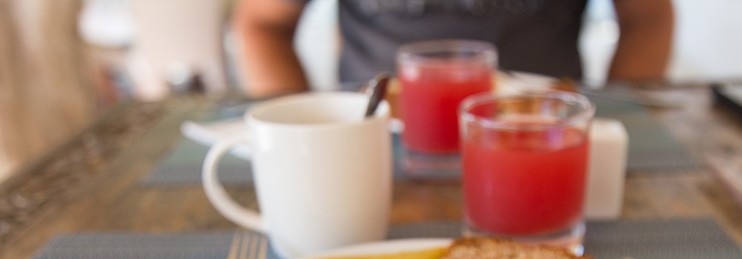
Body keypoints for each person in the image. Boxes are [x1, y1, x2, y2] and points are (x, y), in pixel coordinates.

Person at [232, 0, 674, 97]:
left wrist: (618, 113)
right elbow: (264, 25)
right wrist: (296, 133)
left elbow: (648, 19)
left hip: (539, 136)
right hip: (377, 138)